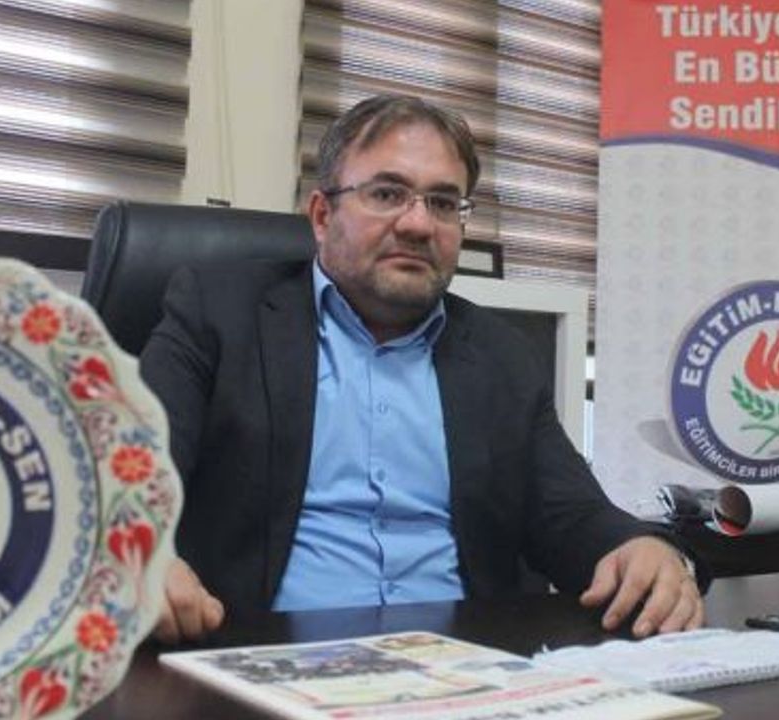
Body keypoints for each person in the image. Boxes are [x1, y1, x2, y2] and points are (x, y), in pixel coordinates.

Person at [140, 94, 705, 645]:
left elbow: (570, 513)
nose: (417, 224)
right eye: (387, 193)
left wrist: (641, 548)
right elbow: (129, 476)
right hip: (262, 661)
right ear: (322, 215)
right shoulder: (219, 313)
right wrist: (134, 554)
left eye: (442, 203)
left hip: (467, 666)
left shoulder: (501, 355)